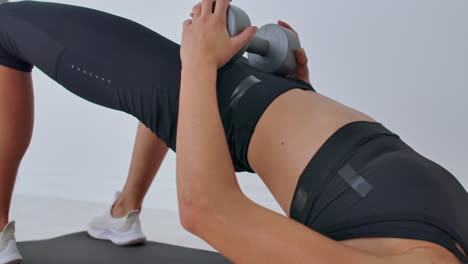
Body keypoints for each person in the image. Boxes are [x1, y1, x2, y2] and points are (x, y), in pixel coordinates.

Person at [0, 1, 467, 263]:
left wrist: (200, 65)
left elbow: (206, 210)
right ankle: (124, 213)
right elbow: (347, 209)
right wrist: (303, 98)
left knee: (7, 26)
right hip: (286, 113)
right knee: (177, 89)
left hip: (240, 113)